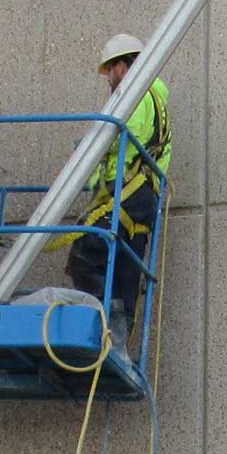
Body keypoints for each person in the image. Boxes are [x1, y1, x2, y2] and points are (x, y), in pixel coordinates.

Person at [70, 33, 169, 325]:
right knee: (126, 273)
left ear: (123, 67)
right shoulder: (156, 97)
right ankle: (118, 336)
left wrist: (92, 145)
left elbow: (127, 133)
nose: (109, 78)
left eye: (110, 70)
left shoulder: (136, 93)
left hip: (128, 189)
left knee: (85, 254)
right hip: (141, 195)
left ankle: (103, 323)